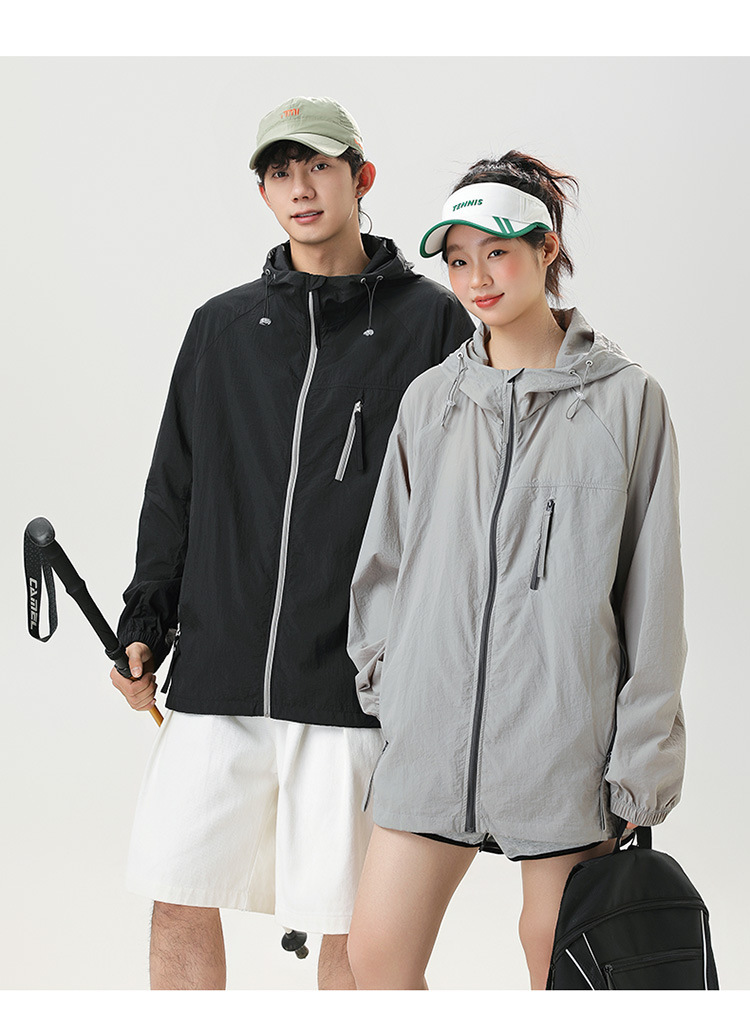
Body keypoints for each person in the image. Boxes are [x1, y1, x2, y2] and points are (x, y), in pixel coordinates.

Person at [109, 95, 472, 990]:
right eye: (281, 172)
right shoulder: (222, 327)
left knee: (353, 927)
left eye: (319, 166)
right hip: (218, 677)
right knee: (177, 895)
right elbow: (174, 488)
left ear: (361, 177)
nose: (301, 188)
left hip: (350, 685)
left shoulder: (433, 326)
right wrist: (144, 620)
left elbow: (460, 510)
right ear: (264, 191)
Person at [346, 152, 687, 989]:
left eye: (497, 252)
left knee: (559, 963)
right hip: (431, 740)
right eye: (459, 259)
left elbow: (655, 603)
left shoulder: (626, 401)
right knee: (376, 956)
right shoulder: (431, 400)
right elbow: (383, 563)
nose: (477, 278)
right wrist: (393, 685)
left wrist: (640, 766)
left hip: (562, 744)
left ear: (546, 248)